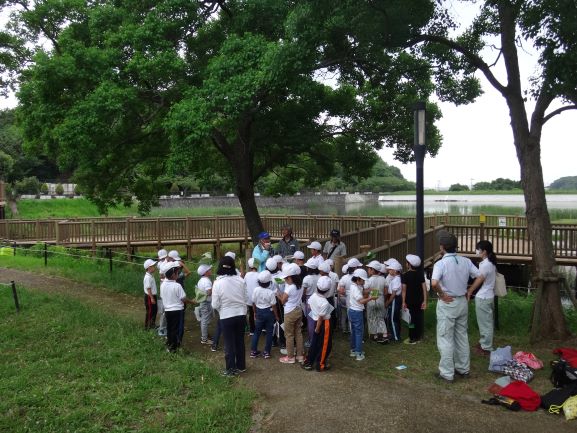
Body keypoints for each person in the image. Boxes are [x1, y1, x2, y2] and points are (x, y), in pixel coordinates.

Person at [431, 230, 483, 383]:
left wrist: (441, 294)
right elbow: (480, 276)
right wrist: (470, 291)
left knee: (445, 337)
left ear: (442, 247)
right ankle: (463, 368)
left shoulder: (440, 263)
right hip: (462, 301)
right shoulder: (466, 261)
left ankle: (447, 373)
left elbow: (434, 283)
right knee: (461, 336)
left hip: (448, 302)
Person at [211, 256, 248, 377]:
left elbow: (215, 304)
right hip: (241, 314)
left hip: (226, 316)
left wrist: (222, 309)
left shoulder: (217, 283)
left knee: (229, 343)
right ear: (233, 267)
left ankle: (230, 369)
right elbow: (246, 298)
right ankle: (241, 366)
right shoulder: (241, 280)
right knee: (239, 341)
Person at [467, 240, 497, 356]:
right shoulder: (489, 262)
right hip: (487, 296)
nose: (477, 251)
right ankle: (484, 342)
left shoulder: (486, 265)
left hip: (484, 297)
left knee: (485, 323)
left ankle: (486, 347)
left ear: (484, 251)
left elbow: (479, 279)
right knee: (486, 322)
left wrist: (470, 291)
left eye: (478, 249)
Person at [159, 262, 195, 353]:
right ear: (173, 274)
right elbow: (183, 299)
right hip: (177, 310)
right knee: (175, 329)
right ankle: (173, 349)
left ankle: (169, 345)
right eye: (177, 273)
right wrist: (192, 301)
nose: (178, 274)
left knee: (170, 328)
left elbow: (163, 297)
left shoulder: (162, 284)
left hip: (167, 310)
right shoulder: (177, 285)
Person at [303, 276, 334, 371]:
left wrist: (316, 327)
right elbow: (321, 317)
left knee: (315, 343)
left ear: (317, 287)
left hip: (316, 321)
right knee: (325, 345)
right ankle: (320, 364)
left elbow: (309, 305)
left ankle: (308, 362)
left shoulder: (313, 296)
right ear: (328, 290)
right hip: (324, 323)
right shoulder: (324, 302)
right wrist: (317, 328)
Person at [278, 263, 305, 364]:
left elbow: (283, 301)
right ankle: (300, 355)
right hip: (298, 310)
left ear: (290, 278)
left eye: (286, 278)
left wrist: (278, 294)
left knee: (289, 335)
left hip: (289, 311)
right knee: (298, 333)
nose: (285, 280)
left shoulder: (290, 288)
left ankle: (290, 357)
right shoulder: (300, 285)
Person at [250, 270, 280, 359]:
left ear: (259, 282)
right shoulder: (270, 292)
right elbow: (274, 306)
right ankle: (267, 352)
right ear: (269, 282)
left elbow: (253, 303)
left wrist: (255, 312)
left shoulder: (256, 290)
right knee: (269, 332)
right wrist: (276, 316)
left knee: (257, 332)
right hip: (269, 312)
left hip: (259, 311)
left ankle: (253, 351)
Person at [348, 269, 377, 361]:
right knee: (359, 333)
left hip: (352, 311)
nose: (364, 282)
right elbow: (361, 301)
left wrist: (369, 290)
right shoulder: (355, 288)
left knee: (354, 331)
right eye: (363, 280)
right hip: (357, 312)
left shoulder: (356, 286)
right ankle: (358, 353)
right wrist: (371, 298)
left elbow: (363, 292)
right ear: (358, 279)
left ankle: (353, 350)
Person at [401, 254, 428, 344]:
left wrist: (403, 301)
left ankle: (412, 337)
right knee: (418, 318)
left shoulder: (405, 275)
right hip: (419, 301)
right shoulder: (420, 275)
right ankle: (418, 336)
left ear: (409, 264)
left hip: (409, 302)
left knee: (411, 320)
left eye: (406, 263)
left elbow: (404, 290)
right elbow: (424, 289)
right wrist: (425, 300)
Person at [366, 260, 388, 343]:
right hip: (381, 300)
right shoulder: (383, 279)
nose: (368, 270)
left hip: (371, 300)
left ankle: (374, 335)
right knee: (380, 318)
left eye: (369, 269)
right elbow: (386, 292)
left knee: (372, 318)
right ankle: (384, 335)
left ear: (372, 270)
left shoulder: (369, 280)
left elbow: (366, 291)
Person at [302, 258, 320, 347]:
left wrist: (303, 299)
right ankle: (318, 339)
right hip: (319, 299)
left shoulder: (307, 278)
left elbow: (304, 292)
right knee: (319, 319)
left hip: (310, 300)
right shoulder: (320, 276)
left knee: (311, 321)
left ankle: (311, 340)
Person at [385, 259, 403, 342]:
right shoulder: (397, 278)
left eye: (391, 269)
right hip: (396, 299)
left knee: (392, 319)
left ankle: (395, 337)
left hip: (395, 299)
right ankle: (396, 334)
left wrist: (388, 302)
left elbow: (394, 293)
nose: (389, 270)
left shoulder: (396, 280)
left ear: (395, 271)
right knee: (395, 318)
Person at [196, 264, 213, 345]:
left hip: (204, 302)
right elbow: (209, 292)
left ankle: (205, 335)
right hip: (206, 302)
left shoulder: (201, 280)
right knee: (205, 320)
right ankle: (204, 339)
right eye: (209, 269)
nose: (211, 270)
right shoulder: (206, 281)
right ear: (206, 272)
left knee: (205, 320)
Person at [244, 258, 259, 335]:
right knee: (258, 313)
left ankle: (252, 330)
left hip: (249, 298)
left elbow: (244, 284)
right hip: (258, 299)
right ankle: (261, 329)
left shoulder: (246, 275)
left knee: (251, 313)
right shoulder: (259, 275)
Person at [156, 249, 169, 337]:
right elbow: (161, 276)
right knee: (164, 310)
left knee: (163, 309)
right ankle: (162, 328)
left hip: (163, 287)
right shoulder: (162, 264)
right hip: (165, 287)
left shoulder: (160, 263)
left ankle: (163, 327)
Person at [143, 258, 158, 330]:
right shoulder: (147, 277)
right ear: (149, 268)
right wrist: (152, 298)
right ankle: (147, 327)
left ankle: (152, 324)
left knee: (155, 310)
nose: (154, 267)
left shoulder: (151, 275)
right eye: (153, 266)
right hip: (149, 297)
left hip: (153, 296)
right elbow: (148, 289)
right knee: (150, 311)